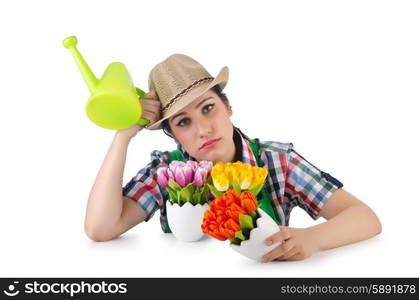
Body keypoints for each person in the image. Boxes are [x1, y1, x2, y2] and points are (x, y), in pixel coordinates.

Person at [85, 54, 382, 262]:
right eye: (183, 122)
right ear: (173, 135)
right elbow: (100, 228)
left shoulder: (279, 162)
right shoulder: (169, 172)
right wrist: (122, 137)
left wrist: (313, 239)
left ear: (228, 106)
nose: (203, 129)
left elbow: (365, 218)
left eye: (208, 107)